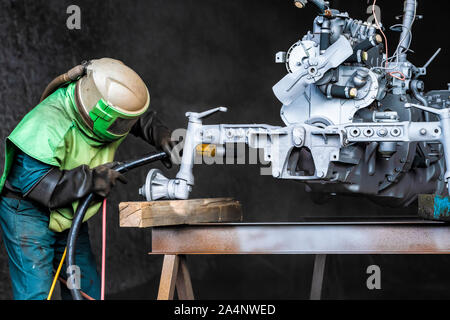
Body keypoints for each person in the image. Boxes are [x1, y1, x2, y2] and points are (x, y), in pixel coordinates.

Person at [0, 58, 175, 300]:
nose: (123, 127)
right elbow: (35, 183)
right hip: (28, 215)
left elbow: (133, 117)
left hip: (70, 211)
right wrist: (90, 180)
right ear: (100, 114)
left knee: (84, 288)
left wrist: (161, 134)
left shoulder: (108, 108)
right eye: (119, 122)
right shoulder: (48, 122)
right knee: (36, 293)